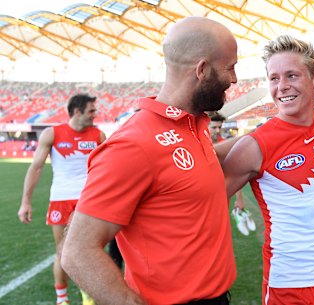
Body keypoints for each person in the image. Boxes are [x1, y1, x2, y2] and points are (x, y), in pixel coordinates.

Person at [61, 17, 238, 305]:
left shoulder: (191, 126)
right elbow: (77, 252)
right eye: (230, 67)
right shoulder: (132, 145)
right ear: (202, 70)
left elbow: (192, 166)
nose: (234, 79)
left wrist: (263, 136)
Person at [222, 35, 314, 305]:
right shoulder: (254, 147)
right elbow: (204, 201)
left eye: (292, 75)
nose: (282, 86)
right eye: (274, 78)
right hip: (290, 286)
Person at [17, 93, 105, 305]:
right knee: (62, 251)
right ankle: (62, 299)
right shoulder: (52, 133)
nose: (95, 114)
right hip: (61, 199)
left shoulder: (98, 135)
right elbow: (36, 167)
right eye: (91, 111)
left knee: (91, 250)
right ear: (77, 111)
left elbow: (109, 168)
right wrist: (25, 201)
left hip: (89, 201)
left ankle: (86, 293)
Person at [208, 111, 255, 236]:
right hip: (202, 197)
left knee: (218, 231)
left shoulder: (226, 145)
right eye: (214, 127)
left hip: (222, 194)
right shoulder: (197, 143)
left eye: (219, 127)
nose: (217, 130)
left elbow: (234, 172)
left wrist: (239, 200)